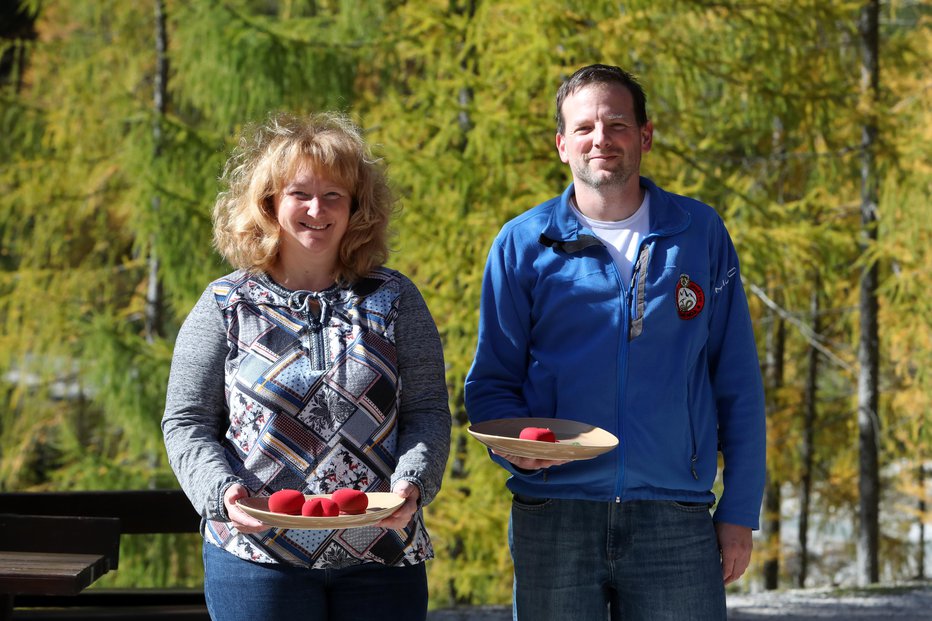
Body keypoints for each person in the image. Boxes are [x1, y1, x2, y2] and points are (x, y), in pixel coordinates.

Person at [464, 64, 766, 620]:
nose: (600, 138)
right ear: (562, 145)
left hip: (674, 513)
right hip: (554, 510)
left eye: (617, 124)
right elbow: (492, 382)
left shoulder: (699, 234)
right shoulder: (522, 244)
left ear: (644, 136)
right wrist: (520, 450)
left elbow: (738, 383)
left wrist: (740, 511)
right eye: (583, 128)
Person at [162, 111, 451, 621]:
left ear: (356, 207)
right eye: (300, 193)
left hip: (382, 553)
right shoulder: (225, 304)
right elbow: (186, 423)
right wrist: (221, 493)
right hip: (257, 558)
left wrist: (413, 482)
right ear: (270, 203)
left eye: (334, 195)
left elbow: (427, 411)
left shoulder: (395, 298)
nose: (317, 209)